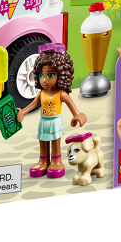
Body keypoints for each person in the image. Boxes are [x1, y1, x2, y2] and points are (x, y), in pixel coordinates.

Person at [16, 44, 87, 178]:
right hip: (43, 121)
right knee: (42, 141)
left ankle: (56, 161)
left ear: (61, 75)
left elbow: (73, 108)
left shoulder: (61, 94)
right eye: (41, 75)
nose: (44, 80)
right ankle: (43, 161)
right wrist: (23, 112)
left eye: (49, 75)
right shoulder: (41, 93)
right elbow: (33, 104)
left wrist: (77, 116)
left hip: (55, 121)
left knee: (55, 141)